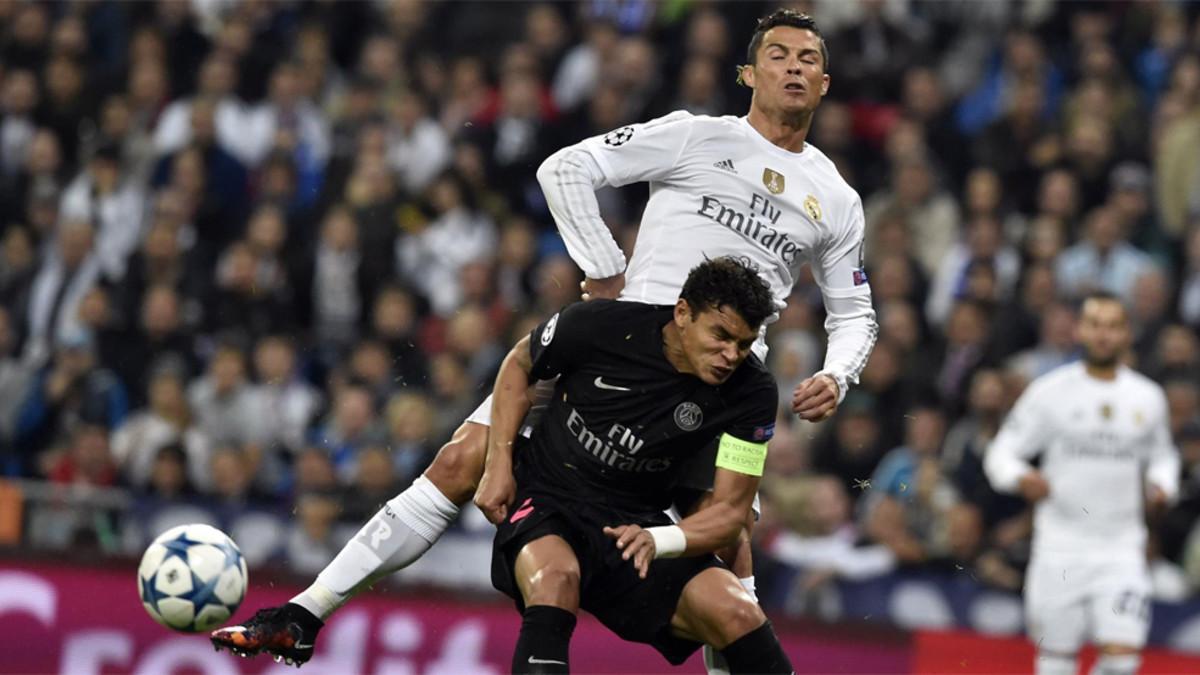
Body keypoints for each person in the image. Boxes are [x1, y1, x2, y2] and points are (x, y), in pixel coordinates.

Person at [212, 10, 876, 666]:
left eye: (809, 59)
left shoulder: (836, 199)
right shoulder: (693, 136)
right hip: (620, 346)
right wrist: (604, 266)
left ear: (824, 84)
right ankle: (306, 612)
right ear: (749, 72)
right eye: (780, 55)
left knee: (730, 550)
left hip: (719, 384)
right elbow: (565, 169)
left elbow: (855, 313)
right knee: (462, 457)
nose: (794, 67)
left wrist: (837, 373)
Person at [475, 257, 790, 673]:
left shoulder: (752, 391)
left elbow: (731, 515)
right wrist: (498, 464)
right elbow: (519, 364)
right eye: (721, 335)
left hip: (637, 524)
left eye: (744, 344)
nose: (730, 355)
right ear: (682, 313)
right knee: (556, 579)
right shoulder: (599, 326)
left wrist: (659, 539)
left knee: (737, 611)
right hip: (549, 496)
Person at [984, 291, 1179, 675]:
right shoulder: (1049, 393)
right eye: (1095, 325)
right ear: (1080, 331)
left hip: (1121, 548)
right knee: (1055, 663)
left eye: (1113, 326)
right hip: (1060, 549)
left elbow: (1163, 457)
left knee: (1123, 662)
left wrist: (1163, 485)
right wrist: (1021, 478)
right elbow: (1001, 454)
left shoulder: (1148, 397)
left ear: (1126, 333)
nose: (1104, 335)